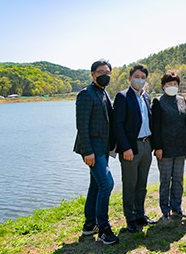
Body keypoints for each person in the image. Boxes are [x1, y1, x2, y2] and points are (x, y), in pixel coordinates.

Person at [73, 59, 119, 245]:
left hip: (104, 148)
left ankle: (89, 224)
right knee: (107, 184)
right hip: (93, 150)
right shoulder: (86, 94)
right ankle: (103, 229)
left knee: (96, 185)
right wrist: (87, 152)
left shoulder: (104, 93)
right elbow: (82, 126)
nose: (105, 75)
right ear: (93, 74)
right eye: (101, 72)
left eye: (107, 72)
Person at [113, 64, 157, 233]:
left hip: (147, 145)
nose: (140, 80)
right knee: (130, 184)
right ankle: (130, 218)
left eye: (143, 77)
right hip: (131, 147)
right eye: (137, 76)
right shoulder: (122, 97)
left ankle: (140, 214)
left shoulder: (146, 97)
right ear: (130, 78)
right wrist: (125, 148)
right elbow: (118, 125)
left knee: (142, 183)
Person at [151, 70, 186, 220]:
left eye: (175, 84)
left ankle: (177, 207)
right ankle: (165, 209)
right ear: (163, 86)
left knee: (178, 180)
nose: (172, 86)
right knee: (165, 180)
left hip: (181, 147)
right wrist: (158, 147)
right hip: (165, 148)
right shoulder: (158, 102)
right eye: (169, 84)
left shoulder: (182, 101)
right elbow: (155, 127)